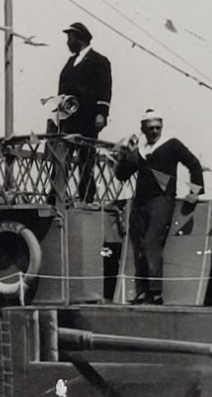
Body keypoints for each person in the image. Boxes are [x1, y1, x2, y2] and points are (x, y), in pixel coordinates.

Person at [113, 108, 203, 304]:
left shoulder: (171, 145)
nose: (154, 131)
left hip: (162, 200)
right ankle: (143, 291)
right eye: (150, 128)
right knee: (139, 246)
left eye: (157, 127)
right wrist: (128, 154)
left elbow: (194, 164)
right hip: (141, 202)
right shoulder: (141, 151)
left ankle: (155, 293)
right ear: (143, 129)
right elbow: (121, 175)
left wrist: (195, 191)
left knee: (152, 243)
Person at [50, 21, 112, 201]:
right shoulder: (70, 62)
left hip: (88, 119)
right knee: (61, 158)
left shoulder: (99, 61)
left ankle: (87, 195)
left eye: (70, 37)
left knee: (86, 158)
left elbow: (105, 88)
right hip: (68, 120)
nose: (68, 41)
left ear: (80, 39)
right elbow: (62, 89)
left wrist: (102, 113)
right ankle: (56, 195)